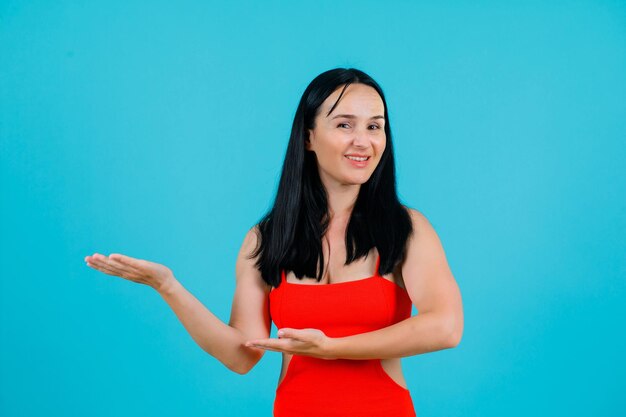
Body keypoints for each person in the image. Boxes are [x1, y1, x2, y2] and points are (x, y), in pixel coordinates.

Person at [85, 68, 464, 416]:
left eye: (375, 126)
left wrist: (331, 349)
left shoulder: (406, 228)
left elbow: (446, 327)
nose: (363, 141)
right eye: (345, 124)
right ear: (308, 136)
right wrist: (167, 286)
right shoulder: (266, 238)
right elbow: (241, 355)